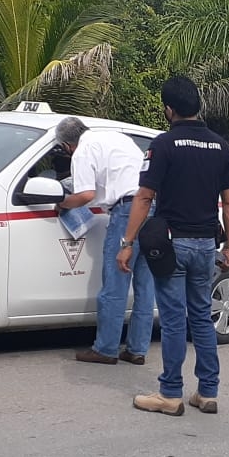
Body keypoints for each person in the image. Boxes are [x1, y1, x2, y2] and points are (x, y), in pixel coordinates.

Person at [116, 75, 229, 416]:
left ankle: (170, 393)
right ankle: (208, 392)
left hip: (173, 245)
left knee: (172, 320)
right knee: (201, 317)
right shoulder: (221, 147)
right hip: (205, 246)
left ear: (169, 109)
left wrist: (127, 243)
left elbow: (144, 196)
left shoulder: (163, 145)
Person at [53, 117, 155, 366]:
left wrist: (63, 203)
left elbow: (86, 194)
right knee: (145, 286)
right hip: (152, 208)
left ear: (68, 146)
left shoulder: (82, 151)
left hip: (126, 212)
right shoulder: (117, 138)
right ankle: (137, 349)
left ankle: (106, 348)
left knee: (115, 283)